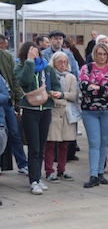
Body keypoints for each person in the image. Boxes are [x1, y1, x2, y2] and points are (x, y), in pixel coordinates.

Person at [15, 42, 63, 194]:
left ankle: (37, 177)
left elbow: (56, 85)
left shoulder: (47, 68)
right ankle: (33, 180)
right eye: (32, 53)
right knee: (34, 147)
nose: (35, 55)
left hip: (46, 110)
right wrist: (29, 61)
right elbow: (25, 81)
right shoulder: (20, 67)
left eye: (36, 52)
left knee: (41, 146)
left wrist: (57, 93)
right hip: (30, 111)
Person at [79, 43, 108, 188]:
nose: (102, 57)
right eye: (99, 54)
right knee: (94, 142)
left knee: (104, 141)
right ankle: (93, 174)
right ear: (94, 54)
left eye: (104, 54)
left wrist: (97, 88)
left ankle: (100, 172)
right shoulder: (87, 68)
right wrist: (104, 89)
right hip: (90, 110)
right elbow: (84, 87)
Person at [44, 52, 77, 182]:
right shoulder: (49, 75)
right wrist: (61, 96)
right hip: (54, 111)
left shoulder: (71, 77)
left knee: (65, 143)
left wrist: (61, 95)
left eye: (65, 62)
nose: (63, 64)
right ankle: (49, 170)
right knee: (51, 143)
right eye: (60, 62)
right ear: (54, 63)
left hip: (67, 113)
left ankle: (61, 169)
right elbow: (48, 93)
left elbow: (73, 95)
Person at [0, 35, 28, 176]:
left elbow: (14, 79)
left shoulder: (6, 57)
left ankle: (22, 164)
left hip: (7, 101)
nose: (5, 47)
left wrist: (17, 100)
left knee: (15, 133)